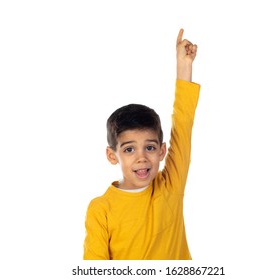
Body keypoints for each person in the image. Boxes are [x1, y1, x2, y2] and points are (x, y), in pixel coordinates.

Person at [83, 28, 200, 260]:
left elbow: (183, 124)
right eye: (129, 149)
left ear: (162, 151)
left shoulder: (170, 186)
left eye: (149, 147)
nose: (141, 157)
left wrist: (183, 65)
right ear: (112, 155)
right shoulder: (101, 209)